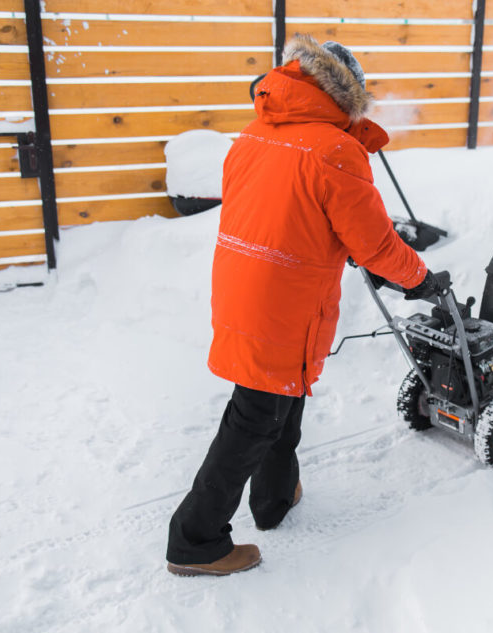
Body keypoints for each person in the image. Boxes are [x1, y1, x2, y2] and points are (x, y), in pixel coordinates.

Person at [165, 34, 439, 577]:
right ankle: (195, 540)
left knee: (282, 399)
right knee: (256, 418)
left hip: (246, 285)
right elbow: (376, 245)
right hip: (284, 298)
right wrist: (421, 279)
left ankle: (273, 498)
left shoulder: (254, 133)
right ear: (345, 93)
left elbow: (291, 210)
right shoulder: (335, 151)